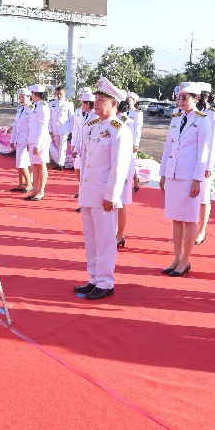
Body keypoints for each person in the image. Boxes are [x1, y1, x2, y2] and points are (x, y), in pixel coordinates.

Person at [74, 77, 134, 300]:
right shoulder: (91, 126)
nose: (96, 104)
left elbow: (119, 167)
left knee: (106, 240)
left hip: (104, 194)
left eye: (101, 101)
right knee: (91, 239)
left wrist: (112, 195)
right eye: (96, 100)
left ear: (113, 104)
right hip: (89, 191)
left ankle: (106, 282)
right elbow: (86, 160)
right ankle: (94, 278)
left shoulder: (120, 130)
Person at [159, 82, 213, 277]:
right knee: (176, 218)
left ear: (196, 99)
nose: (180, 101)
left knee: (189, 219)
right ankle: (176, 258)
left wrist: (198, 179)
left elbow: (204, 152)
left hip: (190, 176)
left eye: (185, 97)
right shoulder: (176, 118)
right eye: (179, 97)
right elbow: (168, 147)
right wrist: (163, 173)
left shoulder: (203, 120)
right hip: (174, 174)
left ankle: (185, 261)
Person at [196, 83, 215, 245]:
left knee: (203, 195)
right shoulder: (192, 112)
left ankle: (201, 230)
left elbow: (214, 141)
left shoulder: (213, 113)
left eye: (199, 96)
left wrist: (208, 166)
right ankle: (190, 227)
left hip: (207, 161)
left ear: (206, 96)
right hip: (191, 159)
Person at [114, 96, 138, 248]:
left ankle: (119, 235)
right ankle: (114, 232)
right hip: (114, 167)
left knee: (120, 203)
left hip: (123, 167)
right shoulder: (112, 121)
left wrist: (131, 175)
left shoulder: (124, 122)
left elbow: (128, 151)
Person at [25, 85, 51, 200]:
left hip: (41, 141)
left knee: (41, 165)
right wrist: (29, 142)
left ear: (36, 94)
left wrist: (37, 144)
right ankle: (34, 190)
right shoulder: (35, 106)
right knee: (35, 165)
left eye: (32, 93)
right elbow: (31, 126)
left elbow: (42, 127)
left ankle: (41, 191)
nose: (31, 95)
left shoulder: (44, 107)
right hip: (32, 140)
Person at [71, 89, 95, 213]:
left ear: (88, 104)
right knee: (82, 176)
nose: (81, 106)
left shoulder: (95, 116)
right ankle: (84, 201)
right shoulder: (84, 115)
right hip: (83, 151)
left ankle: (87, 202)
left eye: (83, 103)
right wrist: (76, 148)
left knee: (88, 178)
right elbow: (80, 132)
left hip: (90, 152)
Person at [10, 88, 33, 193]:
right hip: (19, 140)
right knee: (19, 163)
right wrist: (12, 140)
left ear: (29, 97)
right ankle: (21, 183)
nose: (21, 99)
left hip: (26, 140)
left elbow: (31, 127)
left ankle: (29, 183)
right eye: (20, 97)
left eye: (22, 97)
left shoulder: (31, 109)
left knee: (21, 163)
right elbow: (16, 125)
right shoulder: (20, 109)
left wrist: (29, 141)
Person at [48, 86, 74, 169]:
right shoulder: (51, 104)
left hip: (64, 128)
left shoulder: (69, 104)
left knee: (63, 146)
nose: (59, 95)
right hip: (55, 128)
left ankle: (61, 164)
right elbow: (50, 118)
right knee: (58, 146)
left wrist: (71, 131)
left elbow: (71, 118)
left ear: (64, 93)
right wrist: (50, 129)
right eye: (57, 94)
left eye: (60, 94)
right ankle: (59, 162)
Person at [125, 92, 144, 192]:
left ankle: (134, 181)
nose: (128, 102)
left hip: (131, 142)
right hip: (122, 141)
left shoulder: (137, 113)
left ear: (135, 101)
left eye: (130, 100)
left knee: (130, 162)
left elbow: (137, 130)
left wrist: (136, 144)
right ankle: (135, 180)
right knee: (128, 163)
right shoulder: (123, 112)